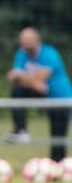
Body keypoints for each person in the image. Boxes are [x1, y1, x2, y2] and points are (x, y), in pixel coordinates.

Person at [5, 26, 71, 162]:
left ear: (37, 40)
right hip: (42, 94)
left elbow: (39, 80)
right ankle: (20, 130)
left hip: (60, 99)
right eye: (23, 40)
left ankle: (57, 168)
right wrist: (30, 80)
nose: (25, 42)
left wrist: (22, 77)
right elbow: (13, 77)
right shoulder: (21, 54)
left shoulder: (50, 54)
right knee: (17, 91)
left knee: (57, 139)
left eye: (28, 39)